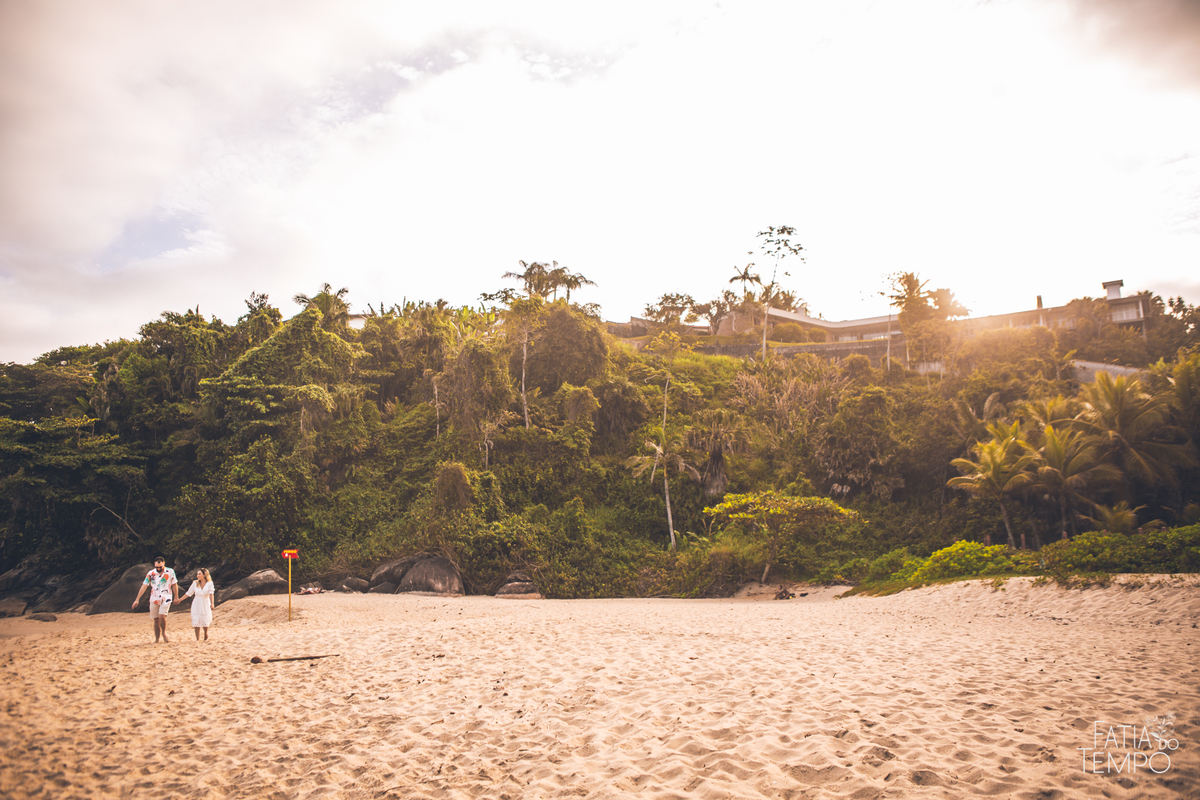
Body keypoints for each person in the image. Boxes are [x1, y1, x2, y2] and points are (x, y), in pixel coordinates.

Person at [132, 557, 178, 643]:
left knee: (162, 615)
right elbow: (144, 586)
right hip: (154, 597)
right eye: (157, 567)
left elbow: (174, 584)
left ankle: (164, 633)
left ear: (164, 563)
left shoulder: (170, 571)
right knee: (156, 619)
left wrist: (176, 597)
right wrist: (137, 599)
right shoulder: (151, 573)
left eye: (160, 567)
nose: (158, 569)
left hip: (166, 596)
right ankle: (157, 639)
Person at [182, 568, 216, 641]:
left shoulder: (209, 583)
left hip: (205, 602)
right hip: (197, 602)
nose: (198, 576)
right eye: (197, 574)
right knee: (196, 620)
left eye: (199, 574)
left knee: (205, 619)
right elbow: (188, 593)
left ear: (204, 575)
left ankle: (205, 633)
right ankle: (197, 638)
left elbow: (211, 593)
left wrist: (212, 603)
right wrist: (180, 600)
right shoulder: (195, 583)